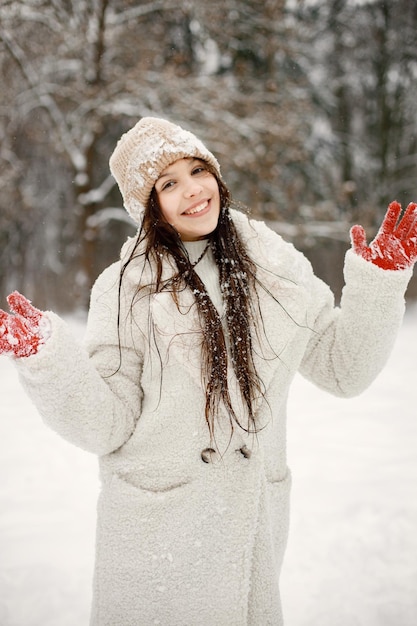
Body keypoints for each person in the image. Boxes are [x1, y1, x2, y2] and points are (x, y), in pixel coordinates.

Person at [1, 117, 417, 626]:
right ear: (147, 206)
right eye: (168, 183)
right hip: (158, 539)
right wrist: (48, 363)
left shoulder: (274, 264)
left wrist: (380, 285)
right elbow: (105, 424)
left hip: (250, 529)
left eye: (198, 170)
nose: (193, 190)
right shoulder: (125, 288)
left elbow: (341, 369)